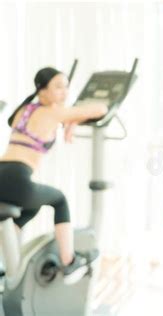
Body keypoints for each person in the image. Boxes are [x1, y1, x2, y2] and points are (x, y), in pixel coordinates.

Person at [0, 67, 108, 284]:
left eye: (66, 87)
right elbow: (100, 108)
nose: (64, 93)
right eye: (58, 87)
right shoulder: (54, 112)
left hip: (3, 173)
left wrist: (71, 121)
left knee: (30, 207)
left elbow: (58, 118)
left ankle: (10, 264)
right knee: (59, 200)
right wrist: (71, 118)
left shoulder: (25, 110)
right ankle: (69, 261)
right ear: (42, 90)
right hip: (17, 177)